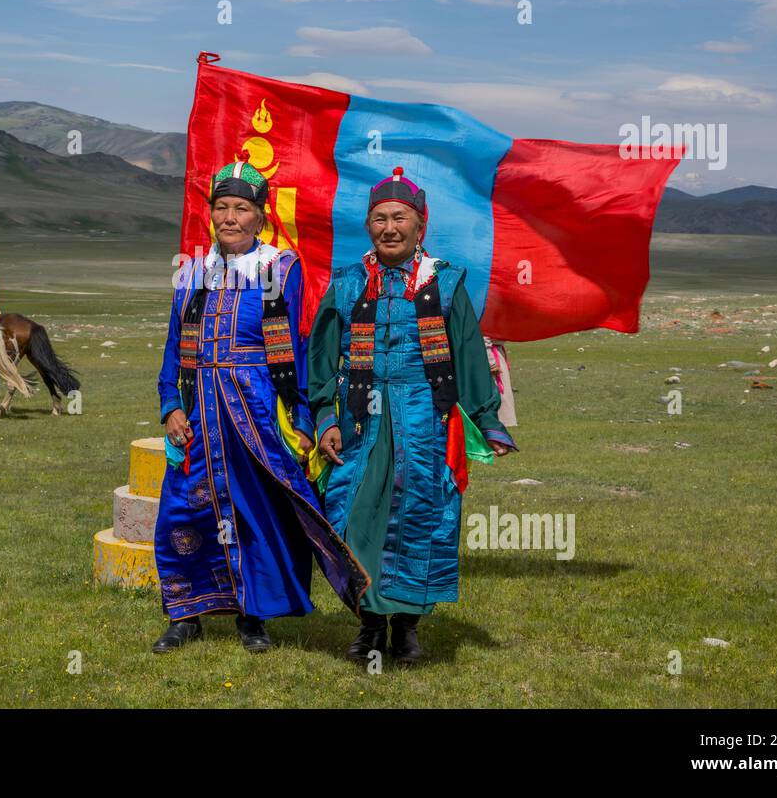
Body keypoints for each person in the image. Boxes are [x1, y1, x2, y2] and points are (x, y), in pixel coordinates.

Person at [152, 160, 368, 655]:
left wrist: (305, 417)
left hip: (255, 410)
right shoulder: (191, 271)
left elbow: (297, 344)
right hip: (199, 408)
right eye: (221, 207)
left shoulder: (279, 269)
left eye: (241, 209)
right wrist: (170, 405)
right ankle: (186, 614)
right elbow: (172, 345)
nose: (229, 218)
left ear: (260, 216)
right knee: (185, 510)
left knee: (257, 511)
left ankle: (253, 615)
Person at [309, 166, 516, 666]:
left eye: (400, 218)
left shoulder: (444, 283)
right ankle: (367, 622)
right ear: (368, 225)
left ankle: (404, 629)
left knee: (418, 518)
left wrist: (487, 419)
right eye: (379, 218)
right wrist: (324, 418)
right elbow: (320, 357)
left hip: (425, 420)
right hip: (360, 422)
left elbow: (467, 354)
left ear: (420, 225)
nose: (389, 228)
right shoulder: (348, 283)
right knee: (352, 514)